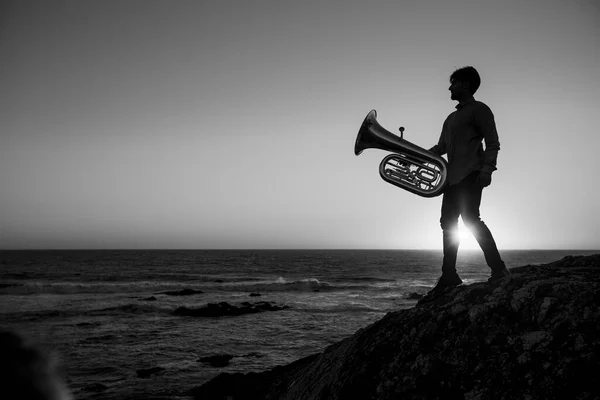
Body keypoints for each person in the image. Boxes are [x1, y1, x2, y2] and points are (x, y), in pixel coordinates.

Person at [428, 66, 510, 294]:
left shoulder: (480, 110)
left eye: (453, 83)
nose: (449, 87)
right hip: (451, 179)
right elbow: (441, 148)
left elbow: (493, 142)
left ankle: (498, 269)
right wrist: (413, 156)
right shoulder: (451, 118)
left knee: (472, 220)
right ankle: (449, 275)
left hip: (471, 174)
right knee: (447, 224)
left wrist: (487, 169)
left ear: (465, 84)